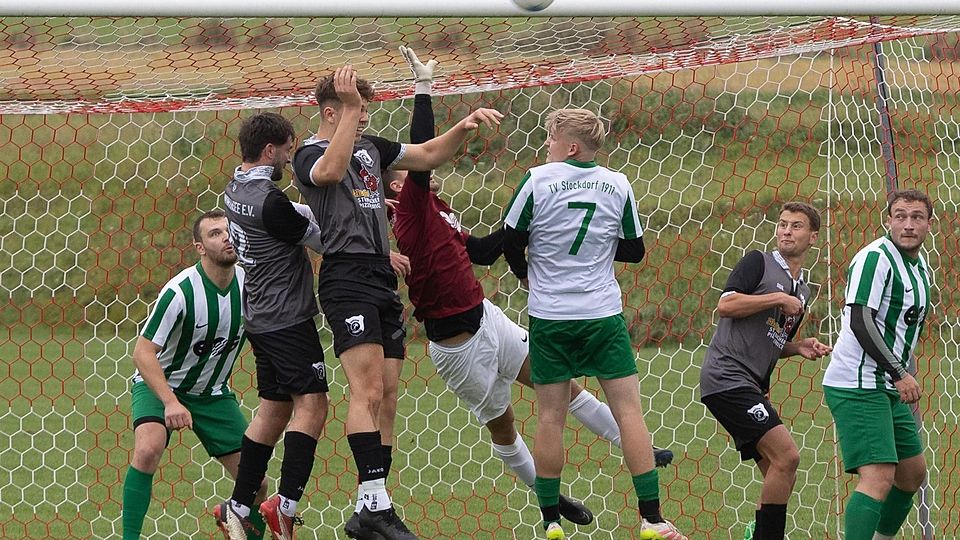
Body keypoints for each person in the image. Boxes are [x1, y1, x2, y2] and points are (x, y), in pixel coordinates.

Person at [375, 47, 676, 540]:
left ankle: (627, 452)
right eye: (406, 170)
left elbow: (483, 250)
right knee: (506, 426)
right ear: (395, 188)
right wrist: (424, 91)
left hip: (488, 316)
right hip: (456, 343)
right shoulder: (411, 207)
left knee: (560, 395)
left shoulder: (440, 209)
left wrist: (537, 236)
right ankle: (552, 493)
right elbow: (423, 149)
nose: (418, 167)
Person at [291, 65, 502, 540]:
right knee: (365, 391)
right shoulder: (310, 154)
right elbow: (330, 173)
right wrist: (350, 110)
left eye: (365, 110)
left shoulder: (371, 147)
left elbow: (426, 155)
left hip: (380, 279)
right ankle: (374, 505)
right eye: (357, 109)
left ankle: (370, 506)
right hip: (346, 278)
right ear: (331, 112)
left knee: (387, 397)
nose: (364, 117)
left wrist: (462, 127)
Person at [502, 108, 687, 540]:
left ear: (570, 146)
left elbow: (510, 240)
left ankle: (551, 521)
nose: (546, 145)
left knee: (551, 417)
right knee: (629, 413)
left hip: (551, 316)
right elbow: (635, 250)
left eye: (551, 139)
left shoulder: (536, 180)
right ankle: (652, 519)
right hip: (602, 315)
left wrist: (526, 272)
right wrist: (598, 250)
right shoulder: (617, 183)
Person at [215, 112, 329, 540]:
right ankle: (285, 506)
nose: (288, 158)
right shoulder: (270, 201)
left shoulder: (234, 188)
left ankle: (238, 506)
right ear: (269, 150)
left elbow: (287, 213)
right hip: (287, 318)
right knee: (313, 405)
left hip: (260, 318)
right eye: (286, 149)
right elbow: (323, 239)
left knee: (274, 408)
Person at [122, 209, 264, 540]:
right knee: (147, 449)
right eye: (215, 233)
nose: (226, 238)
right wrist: (170, 402)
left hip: (213, 393)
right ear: (199, 247)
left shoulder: (250, 285)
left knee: (256, 484)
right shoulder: (180, 291)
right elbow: (142, 353)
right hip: (161, 386)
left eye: (228, 231)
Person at [699, 202, 832, 540]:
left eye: (796, 226)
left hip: (751, 385)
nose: (786, 231)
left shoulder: (801, 291)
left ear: (813, 237)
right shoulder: (758, 262)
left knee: (780, 470)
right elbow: (726, 304)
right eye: (783, 224)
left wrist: (797, 347)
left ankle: (757, 532)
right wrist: (775, 299)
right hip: (727, 377)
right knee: (787, 457)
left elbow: (770, 340)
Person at [822, 189, 933, 540]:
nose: (908, 224)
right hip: (858, 382)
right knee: (879, 477)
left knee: (912, 473)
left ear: (929, 224)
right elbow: (860, 319)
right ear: (888, 221)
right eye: (900, 216)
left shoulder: (920, 267)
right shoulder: (875, 258)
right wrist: (900, 372)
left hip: (885, 383)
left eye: (917, 217)